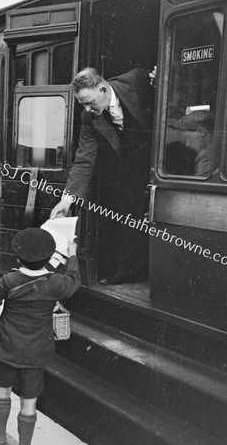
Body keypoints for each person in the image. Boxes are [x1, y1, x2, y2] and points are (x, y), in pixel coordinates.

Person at [0, 228, 81, 445]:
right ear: (50, 257)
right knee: (28, 403)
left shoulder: (9, 279)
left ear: (18, 256)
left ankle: (0, 442)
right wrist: (72, 255)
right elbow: (74, 280)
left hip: (6, 348)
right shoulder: (56, 283)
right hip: (36, 352)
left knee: (2, 393)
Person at [50, 67, 155, 285]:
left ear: (104, 90)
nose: (87, 109)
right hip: (130, 166)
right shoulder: (89, 116)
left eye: (89, 102)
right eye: (83, 104)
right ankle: (129, 270)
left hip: (160, 158)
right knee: (127, 212)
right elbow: (84, 159)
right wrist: (67, 199)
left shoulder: (137, 82)